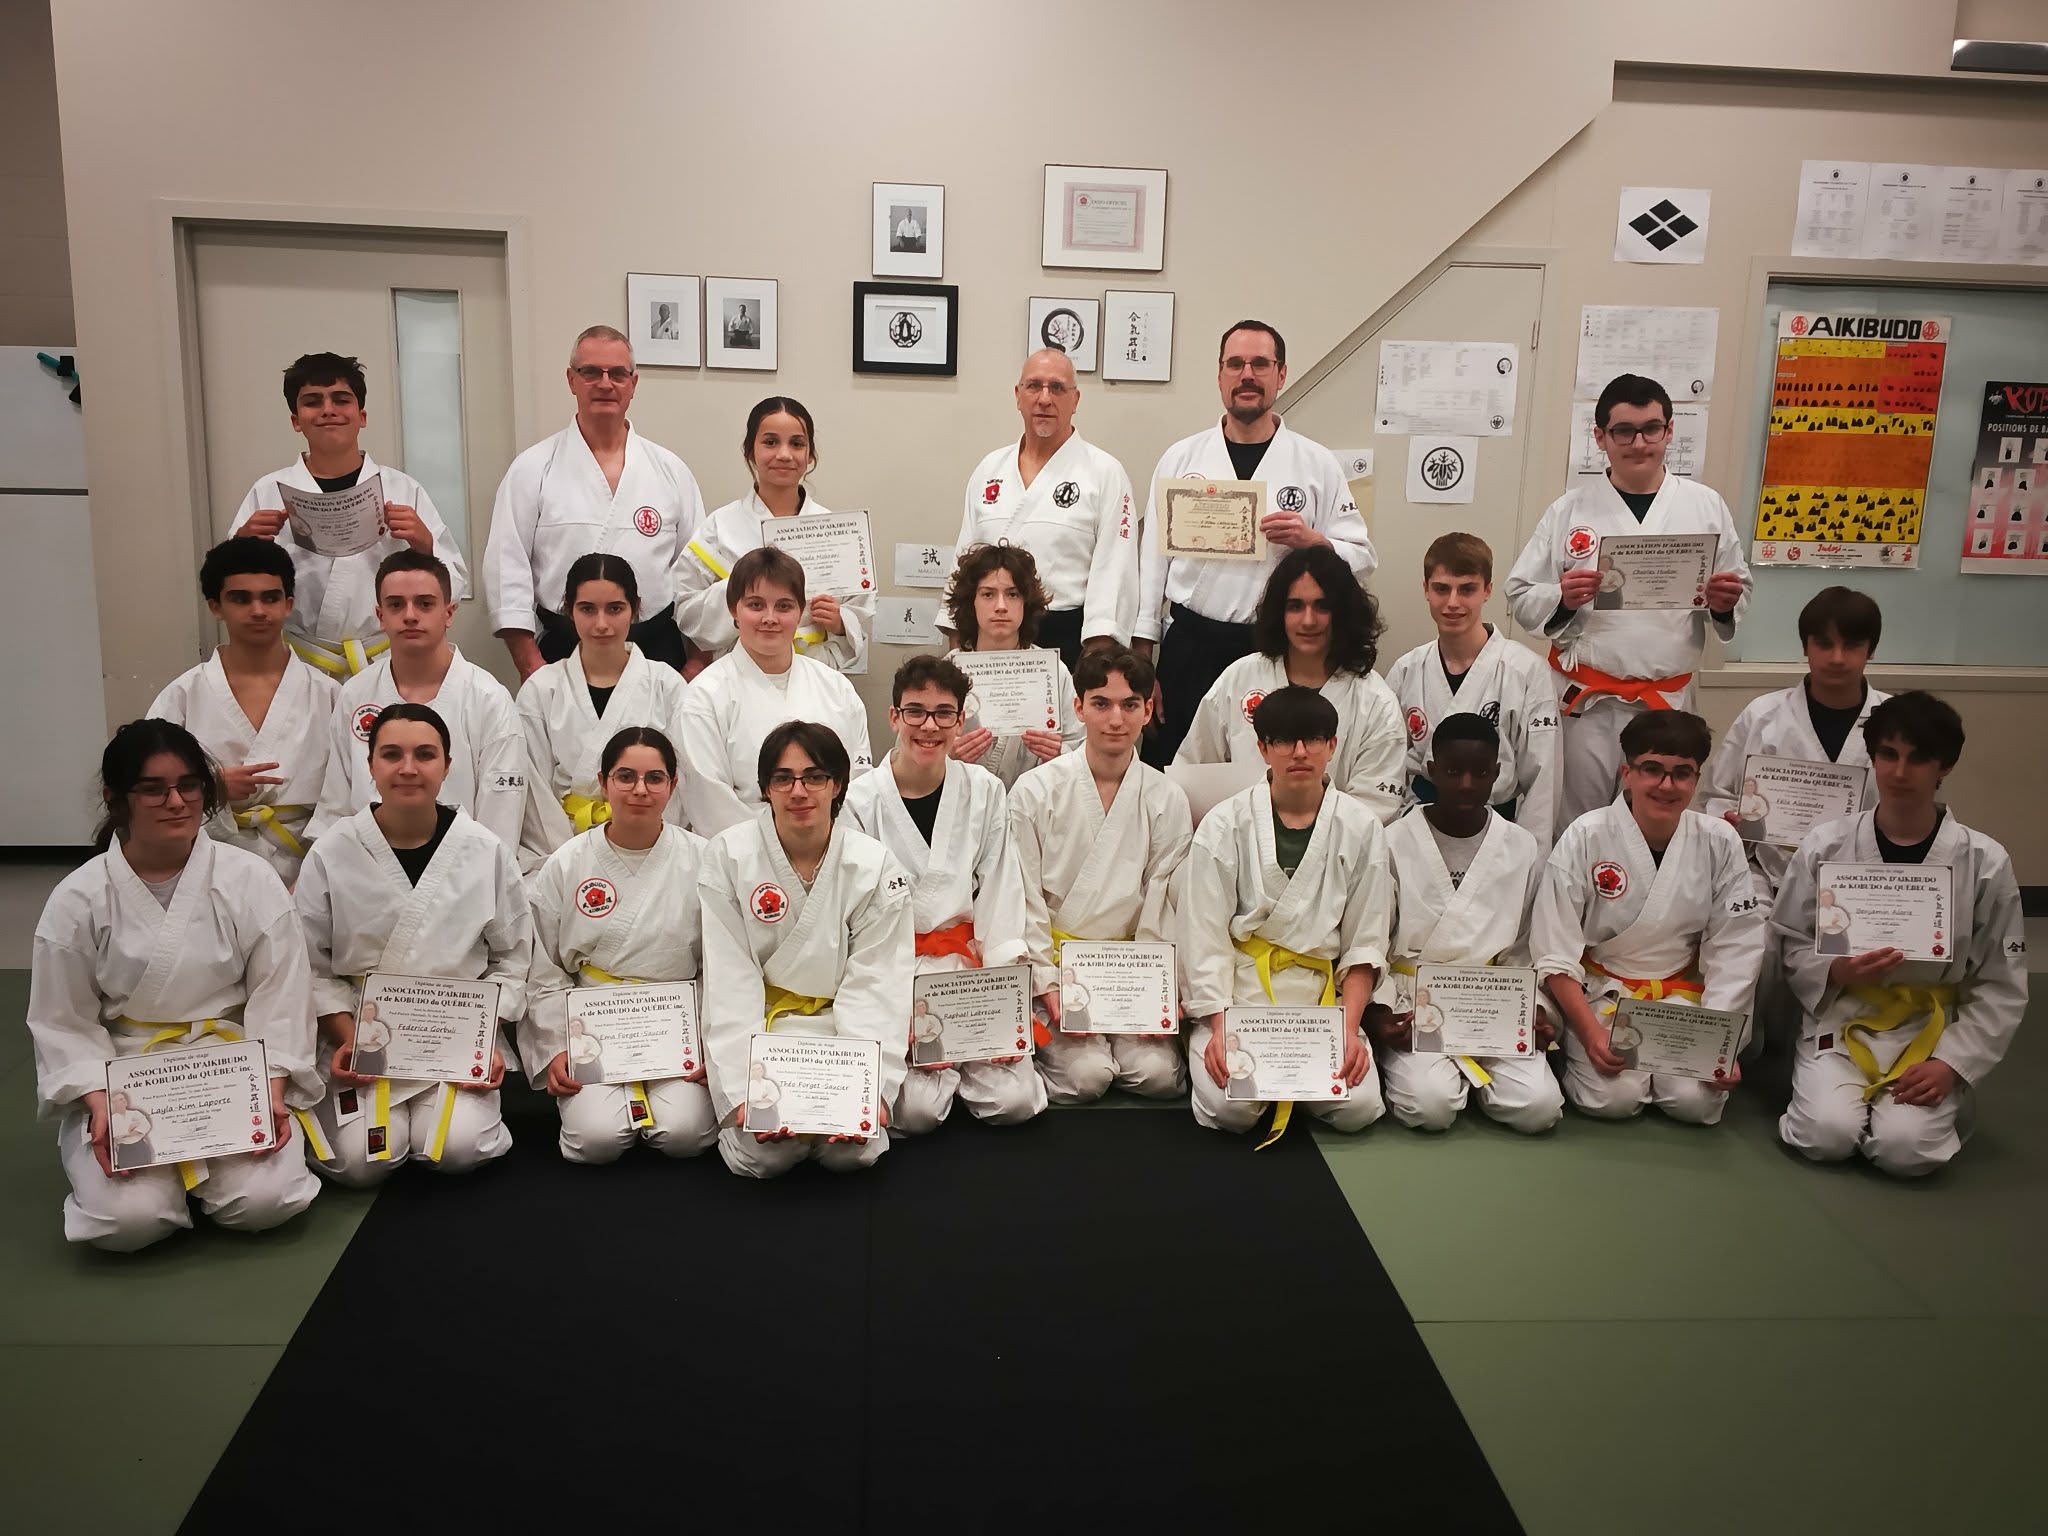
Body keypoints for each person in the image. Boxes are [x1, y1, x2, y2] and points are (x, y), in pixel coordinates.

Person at [27, 720, 322, 1251]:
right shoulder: (78, 899)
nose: (176, 801)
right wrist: (100, 1101)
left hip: (231, 1067)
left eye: (189, 785)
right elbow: (62, 1020)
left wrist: (271, 1087)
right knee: (128, 1223)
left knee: (267, 1202)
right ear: (115, 797)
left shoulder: (249, 879)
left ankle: (208, 1174)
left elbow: (281, 995)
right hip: (129, 1077)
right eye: (153, 789)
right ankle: (158, 1183)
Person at [1774, 693, 2026, 1177]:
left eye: (1918, 758)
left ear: (1945, 766)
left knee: (1906, 1152)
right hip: (1843, 1019)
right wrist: (1836, 970)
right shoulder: (1827, 843)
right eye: (1888, 754)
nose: (1899, 771)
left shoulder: (1984, 861)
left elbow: (2001, 980)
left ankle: (1934, 1102)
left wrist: (1953, 1063)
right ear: (1872, 758)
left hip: (1931, 1030)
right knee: (1825, 1137)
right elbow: (1791, 939)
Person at [295, 704, 528, 1184]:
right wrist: (347, 1037)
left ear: (447, 765)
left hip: (454, 1038)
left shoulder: (485, 850)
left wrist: (484, 1037)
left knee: (458, 1148)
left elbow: (511, 957)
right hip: (362, 1036)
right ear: (370, 765)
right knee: (361, 1163)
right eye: (391, 754)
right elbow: (310, 964)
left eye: (425, 754)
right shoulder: (332, 851)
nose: (408, 768)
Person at [1506, 374, 1751, 827]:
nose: (1639, 443)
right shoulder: (1569, 510)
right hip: (1588, 705)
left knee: (1660, 824)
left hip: (1667, 700)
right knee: (1576, 823)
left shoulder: (1705, 506)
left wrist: (1723, 602)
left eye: (1651, 429)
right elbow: (1520, 593)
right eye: (1624, 431)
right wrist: (1562, 598)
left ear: (1669, 431)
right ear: (1600, 437)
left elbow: (1739, 588)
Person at [1136, 320, 1376, 765]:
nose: (1247, 375)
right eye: (1236, 364)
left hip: (1278, 648)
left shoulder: (1316, 463)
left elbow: (1361, 558)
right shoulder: (1181, 457)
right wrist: (1142, 661)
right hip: (1191, 644)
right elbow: (1152, 565)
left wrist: (1312, 541)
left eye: (1260, 364)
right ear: (1220, 374)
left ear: (1281, 374)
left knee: (1271, 767)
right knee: (1180, 769)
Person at [698, 723, 914, 1178]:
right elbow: (729, 980)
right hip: (764, 1030)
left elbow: (877, 983)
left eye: (815, 776)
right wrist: (744, 1092)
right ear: (765, 788)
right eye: (783, 778)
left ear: (837, 785)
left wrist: (868, 1091)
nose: (799, 791)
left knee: (852, 1154)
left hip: (841, 1032)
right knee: (766, 1157)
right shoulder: (730, 856)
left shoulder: (872, 865)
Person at [1532, 710, 1764, 1125]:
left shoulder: (1719, 840)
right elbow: (1555, 950)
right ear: (1628, 773)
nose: (1666, 785)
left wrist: (1721, 1043)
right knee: (1612, 1100)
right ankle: (1581, 1054)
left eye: (1682, 773)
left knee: (1695, 1103)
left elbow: (1736, 948)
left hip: (1681, 997)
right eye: (1652, 769)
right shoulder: (1586, 834)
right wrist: (1590, 1035)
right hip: (1606, 996)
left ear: (1696, 779)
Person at [844, 656, 1044, 1133]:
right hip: (896, 973)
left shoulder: (985, 791)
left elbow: (1001, 892)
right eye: (915, 711)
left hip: (968, 971)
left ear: (960, 720)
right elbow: (856, 917)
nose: (929, 726)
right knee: (916, 1113)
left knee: (1014, 1101)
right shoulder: (859, 801)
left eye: (943, 713)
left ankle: (972, 1060)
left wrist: (1004, 1009)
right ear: (894, 717)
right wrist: (896, 1016)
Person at [1180, 687, 1389, 1138]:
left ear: (1332, 746)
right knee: (1233, 1111)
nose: (1299, 752)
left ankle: (1299, 1082)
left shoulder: (1361, 827)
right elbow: (1203, 936)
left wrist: (1348, 1029)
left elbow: (1365, 942)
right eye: (1283, 741)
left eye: (1313, 739)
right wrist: (1219, 1025)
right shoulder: (1224, 823)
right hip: (1241, 994)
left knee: (1358, 1108)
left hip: (1320, 1000)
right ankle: (1262, 1073)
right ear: (1262, 748)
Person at [1700, 586, 1889, 1054]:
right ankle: (1740, 1052)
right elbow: (1714, 795)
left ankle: (1822, 1050)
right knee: (1755, 946)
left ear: (1871, 650)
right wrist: (1730, 820)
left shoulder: (1893, 720)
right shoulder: (1764, 716)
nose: (1837, 658)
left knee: (1848, 965)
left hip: (1856, 882)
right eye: (1824, 643)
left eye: (1852, 645)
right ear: (1805, 646)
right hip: (1767, 871)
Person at [523, 726, 718, 1163]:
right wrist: (555, 1046)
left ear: (673, 785)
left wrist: (711, 1041)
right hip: (592, 1024)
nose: (640, 790)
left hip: (676, 1024)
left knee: (686, 1135)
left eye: (655, 778)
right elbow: (544, 967)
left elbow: (722, 964)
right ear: (604, 782)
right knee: (596, 1141)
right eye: (625, 776)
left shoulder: (704, 859)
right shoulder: (566, 863)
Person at [1010, 646, 1192, 1103]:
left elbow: (1165, 901)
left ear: (1147, 711)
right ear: (1078, 708)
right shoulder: (1035, 791)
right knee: (1088, 1078)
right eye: (1101, 703)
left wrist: (1156, 991)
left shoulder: (1166, 797)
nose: (1116, 719)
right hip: (1057, 969)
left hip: (1132, 972)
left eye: (1130, 705)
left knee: (1159, 1076)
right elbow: (1022, 896)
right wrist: (1046, 984)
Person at [1370, 715, 1563, 1133]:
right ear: (1431, 769)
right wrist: (1379, 1014)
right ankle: (1436, 1075)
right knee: (1431, 1108)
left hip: (1494, 1000)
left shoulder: (1521, 846)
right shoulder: (1393, 841)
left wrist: (1533, 1008)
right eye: (1453, 771)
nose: (1466, 784)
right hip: (1414, 998)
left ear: (1497, 773)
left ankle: (1473, 1078)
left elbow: (1526, 947)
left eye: (1480, 773)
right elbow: (1374, 939)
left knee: (1540, 1108)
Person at [485, 324, 706, 679]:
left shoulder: (671, 470)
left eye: (617, 373)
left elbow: (697, 573)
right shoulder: (532, 468)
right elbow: (506, 566)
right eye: (591, 372)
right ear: (571, 380)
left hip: (658, 651)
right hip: (561, 650)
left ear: (633, 383)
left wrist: (697, 661)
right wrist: (528, 662)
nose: (605, 383)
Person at [229, 352, 467, 679]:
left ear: (362, 416)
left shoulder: (402, 488)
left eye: (341, 400)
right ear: (296, 420)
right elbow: (228, 590)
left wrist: (425, 544)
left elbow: (453, 583)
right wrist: (242, 544)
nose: (328, 410)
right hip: (298, 663)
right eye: (313, 401)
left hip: (385, 661)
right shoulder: (268, 491)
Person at [147, 537, 337, 885]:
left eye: (270, 597)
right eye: (240, 598)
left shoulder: (329, 695)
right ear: (215, 606)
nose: (258, 610)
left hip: (308, 865)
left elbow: (348, 794)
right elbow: (147, 784)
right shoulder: (183, 695)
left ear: (288, 604)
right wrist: (210, 786)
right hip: (207, 864)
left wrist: (316, 878)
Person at [1174, 545, 1406, 824]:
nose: (1308, 620)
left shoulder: (1375, 701)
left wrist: (1302, 833)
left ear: (1343, 613)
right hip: (1239, 841)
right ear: (1279, 612)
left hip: (1336, 846)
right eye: (1295, 606)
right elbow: (1194, 771)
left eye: (1322, 606)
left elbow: (1375, 807)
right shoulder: (1240, 678)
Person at [312, 550, 526, 851]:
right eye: (396, 604)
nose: (410, 615)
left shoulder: (489, 699)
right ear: (381, 617)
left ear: (448, 613)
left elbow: (499, 823)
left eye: (425, 604)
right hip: (365, 867)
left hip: (465, 867)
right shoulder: (355, 694)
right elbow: (336, 807)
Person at [953, 348, 1140, 665]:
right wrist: (958, 636)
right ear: (1018, 395)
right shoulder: (989, 469)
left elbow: (1114, 568)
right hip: (990, 635)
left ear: (1075, 400)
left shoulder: (1105, 472)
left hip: (1068, 635)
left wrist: (1097, 654)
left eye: (1056, 387)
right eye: (1034, 386)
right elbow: (964, 559)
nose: (1044, 398)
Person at [676, 547, 872, 837]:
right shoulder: (703, 696)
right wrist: (774, 852)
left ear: (800, 611)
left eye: (784, 606)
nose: (770, 618)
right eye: (756, 605)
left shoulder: (836, 688)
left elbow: (860, 786)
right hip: (741, 854)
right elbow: (709, 802)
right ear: (733, 610)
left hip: (833, 847)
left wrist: (826, 848)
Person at [1384, 532, 1562, 849]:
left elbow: (1543, 780)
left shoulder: (1527, 671)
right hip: (1419, 829)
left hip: (1498, 832)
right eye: (1442, 589)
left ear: (1488, 590)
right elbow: (1388, 764)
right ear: (1426, 590)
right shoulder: (1407, 670)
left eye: (1467, 589)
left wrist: (1531, 856)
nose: (1453, 602)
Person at [515, 553, 689, 874]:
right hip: (561, 849)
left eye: (615, 608)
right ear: (569, 609)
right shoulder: (541, 690)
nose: (601, 624)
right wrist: (569, 858)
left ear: (635, 609)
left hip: (651, 845)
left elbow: (682, 781)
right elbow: (534, 788)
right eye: (587, 609)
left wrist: (647, 840)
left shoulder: (667, 685)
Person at [675, 397, 871, 674]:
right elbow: (685, 610)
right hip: (736, 673)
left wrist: (840, 623)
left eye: (797, 444)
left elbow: (860, 615)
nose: (784, 454)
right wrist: (741, 591)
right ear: (750, 451)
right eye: (770, 442)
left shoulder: (836, 531)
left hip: (813, 672)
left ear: (810, 455)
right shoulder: (720, 526)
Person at [941, 543, 1083, 789]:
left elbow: (1083, 749)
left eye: (1013, 594)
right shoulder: (946, 672)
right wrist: (945, 756)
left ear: (1026, 602)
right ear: (971, 602)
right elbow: (911, 749)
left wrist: (1059, 754)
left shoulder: (1053, 672)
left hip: (1035, 801)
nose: (1001, 606)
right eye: (988, 594)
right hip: (962, 800)